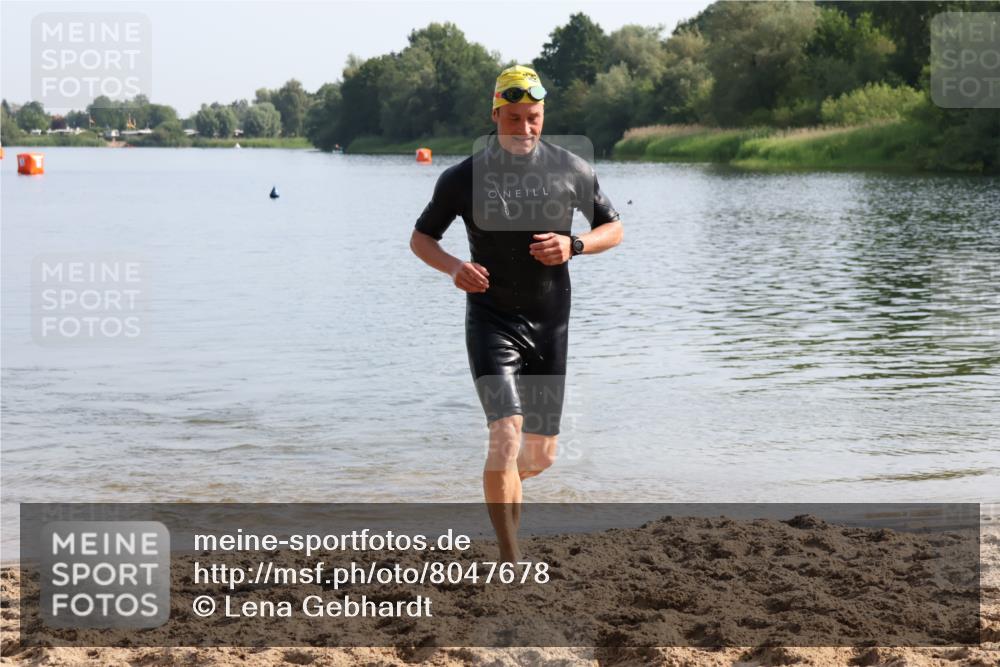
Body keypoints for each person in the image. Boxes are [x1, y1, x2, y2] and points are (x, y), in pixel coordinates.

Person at [410, 65, 623, 562]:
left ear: (543, 115)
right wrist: (454, 267)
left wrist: (575, 245)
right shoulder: (463, 178)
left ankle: (500, 489)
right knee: (505, 435)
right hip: (492, 320)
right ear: (495, 115)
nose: (524, 128)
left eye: (534, 118)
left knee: (539, 455)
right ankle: (510, 559)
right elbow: (422, 239)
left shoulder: (572, 169)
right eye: (514, 118)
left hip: (550, 324)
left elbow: (613, 228)